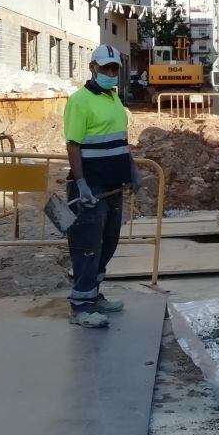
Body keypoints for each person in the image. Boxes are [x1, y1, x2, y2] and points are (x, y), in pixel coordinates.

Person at [63, 44, 144, 328]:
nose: (111, 73)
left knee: (107, 243)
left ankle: (93, 296)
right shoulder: (79, 101)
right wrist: (82, 184)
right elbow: (73, 145)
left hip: (112, 185)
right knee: (87, 245)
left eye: (114, 69)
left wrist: (131, 168)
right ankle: (80, 306)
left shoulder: (113, 99)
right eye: (105, 68)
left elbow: (120, 140)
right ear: (92, 68)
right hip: (91, 187)